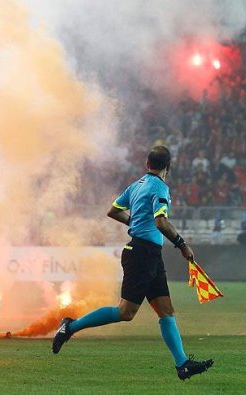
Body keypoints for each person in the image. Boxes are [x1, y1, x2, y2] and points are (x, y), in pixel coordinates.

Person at [51, 146, 214, 380]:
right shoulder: (160, 188)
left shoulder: (136, 185)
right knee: (125, 312)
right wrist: (182, 244)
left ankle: (182, 364)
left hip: (149, 254)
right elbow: (160, 222)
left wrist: (134, 222)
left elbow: (113, 211)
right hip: (142, 254)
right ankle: (70, 326)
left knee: (165, 310)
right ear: (169, 167)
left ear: (147, 164)